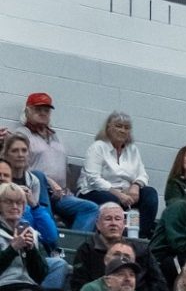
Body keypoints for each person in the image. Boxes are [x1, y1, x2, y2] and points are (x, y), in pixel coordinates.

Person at [20, 91, 99, 232]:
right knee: (39, 176)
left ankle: (75, 249)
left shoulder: (56, 137)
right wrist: (49, 181)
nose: (43, 113)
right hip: (36, 191)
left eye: (46, 110)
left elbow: (64, 168)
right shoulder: (22, 134)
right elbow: (20, 168)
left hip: (60, 194)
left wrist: (66, 189)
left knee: (90, 209)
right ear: (28, 111)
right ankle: (50, 237)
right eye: (38, 109)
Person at [77, 112, 160, 237]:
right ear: (108, 128)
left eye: (126, 128)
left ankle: (139, 237)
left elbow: (143, 174)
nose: (123, 130)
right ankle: (113, 236)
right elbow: (93, 179)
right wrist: (119, 194)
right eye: (119, 126)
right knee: (112, 201)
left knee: (150, 194)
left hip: (126, 194)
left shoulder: (133, 150)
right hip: (94, 192)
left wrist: (136, 186)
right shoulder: (98, 147)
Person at [0, 184, 70, 291]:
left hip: (25, 286)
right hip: (3, 288)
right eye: (8, 202)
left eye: (19, 202)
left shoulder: (29, 231)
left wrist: (31, 250)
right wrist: (13, 248)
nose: (15, 206)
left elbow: (39, 275)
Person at [71, 202, 167, 291]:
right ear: (98, 224)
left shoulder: (141, 250)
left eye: (117, 219)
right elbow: (78, 286)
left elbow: (159, 284)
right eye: (108, 219)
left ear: (124, 223)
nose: (113, 223)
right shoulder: (86, 250)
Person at [2, 130, 59, 249]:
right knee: (26, 209)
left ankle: (49, 249)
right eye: (15, 151)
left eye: (24, 150)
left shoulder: (33, 181)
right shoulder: (3, 176)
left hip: (31, 231)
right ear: (6, 154)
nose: (20, 154)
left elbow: (36, 216)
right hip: (10, 230)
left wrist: (33, 202)